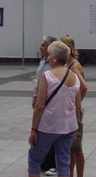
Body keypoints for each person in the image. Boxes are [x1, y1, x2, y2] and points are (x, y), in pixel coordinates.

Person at [28, 41, 81, 177]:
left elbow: (40, 106)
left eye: (50, 55)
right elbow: (77, 104)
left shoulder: (48, 76)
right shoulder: (74, 77)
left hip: (49, 125)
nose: (48, 58)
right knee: (63, 162)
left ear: (56, 57)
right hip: (69, 126)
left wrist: (34, 129)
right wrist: (76, 126)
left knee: (34, 159)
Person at [60, 36, 88, 177]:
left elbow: (84, 86)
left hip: (74, 111)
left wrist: (77, 103)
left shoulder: (74, 66)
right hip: (71, 110)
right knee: (71, 148)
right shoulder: (69, 65)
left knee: (76, 148)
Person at [34, 35, 58, 175]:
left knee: (51, 133)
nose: (40, 47)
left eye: (43, 45)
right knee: (42, 132)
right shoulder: (43, 61)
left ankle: (53, 163)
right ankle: (45, 161)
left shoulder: (55, 65)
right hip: (40, 101)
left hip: (50, 104)